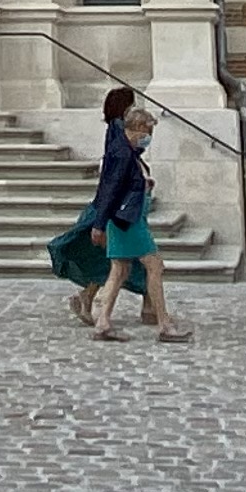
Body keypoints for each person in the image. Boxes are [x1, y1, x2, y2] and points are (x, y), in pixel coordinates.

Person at [71, 87, 189, 344]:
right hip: (128, 221)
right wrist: (98, 223)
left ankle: (102, 323)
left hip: (122, 219)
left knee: (119, 270)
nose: (149, 138)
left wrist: (142, 184)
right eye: (148, 132)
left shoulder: (126, 151)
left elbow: (119, 185)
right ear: (137, 128)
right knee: (154, 267)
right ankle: (164, 324)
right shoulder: (123, 153)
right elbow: (110, 189)